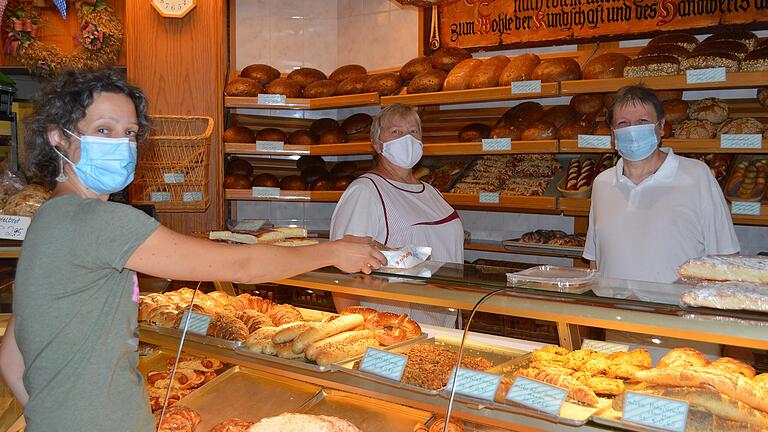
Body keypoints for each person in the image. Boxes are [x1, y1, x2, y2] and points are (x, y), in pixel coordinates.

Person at [0, 69, 386, 432]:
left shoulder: (48, 218)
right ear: (58, 136)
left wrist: (54, 415)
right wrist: (332, 252)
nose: (121, 145)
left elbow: (12, 354)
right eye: (104, 130)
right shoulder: (101, 222)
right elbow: (242, 265)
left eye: (130, 133)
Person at [584, 85, 739, 283]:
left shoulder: (696, 176)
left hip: (675, 311)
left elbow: (726, 260)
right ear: (613, 134)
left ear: (661, 127)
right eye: (623, 123)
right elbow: (596, 262)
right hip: (614, 311)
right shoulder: (602, 184)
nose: (632, 130)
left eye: (642, 121)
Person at [329, 103, 464, 327]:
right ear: (377, 145)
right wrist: (360, 331)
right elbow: (342, 274)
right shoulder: (366, 191)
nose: (407, 139)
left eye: (413, 131)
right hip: (396, 327)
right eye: (396, 132)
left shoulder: (431, 192)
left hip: (446, 322)